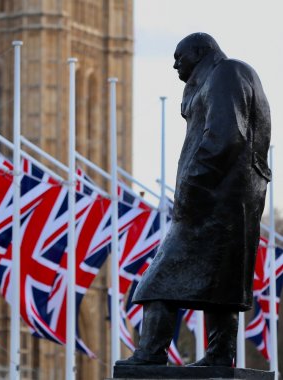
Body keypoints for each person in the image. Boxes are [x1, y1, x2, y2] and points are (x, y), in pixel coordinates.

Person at [116, 32, 272, 367]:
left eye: (180, 57)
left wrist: (192, 184)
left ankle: (151, 353)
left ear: (201, 52)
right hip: (231, 200)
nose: (175, 64)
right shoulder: (226, 75)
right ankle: (219, 355)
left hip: (214, 199)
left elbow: (225, 135)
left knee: (157, 281)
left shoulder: (225, 73)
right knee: (223, 285)